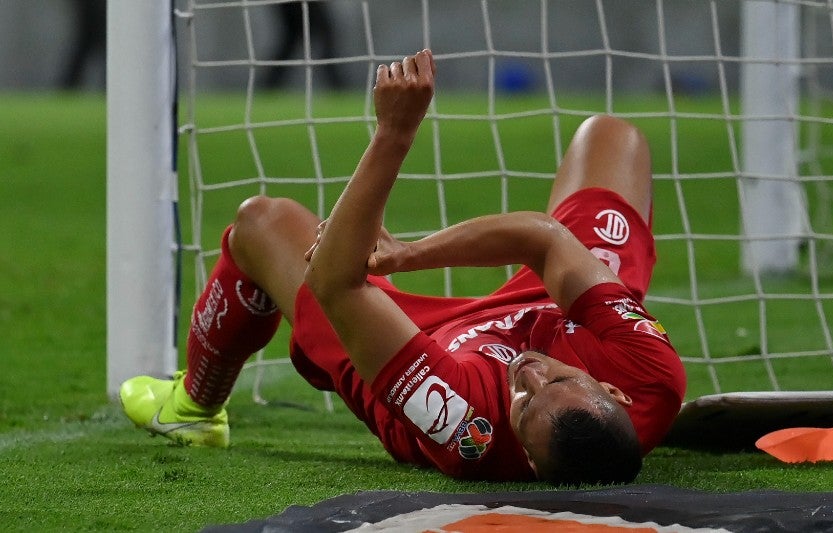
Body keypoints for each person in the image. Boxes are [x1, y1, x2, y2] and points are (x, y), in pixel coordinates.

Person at [120, 49, 686, 485]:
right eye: (558, 379)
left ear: (529, 463)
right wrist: (406, 254)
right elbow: (545, 241)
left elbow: (335, 282)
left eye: (526, 401)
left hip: (412, 345)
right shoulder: (652, 376)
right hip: (540, 307)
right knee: (613, 137)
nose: (530, 372)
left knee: (262, 223)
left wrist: (394, 132)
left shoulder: (470, 425)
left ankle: (194, 405)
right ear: (612, 391)